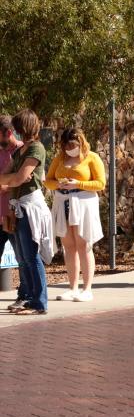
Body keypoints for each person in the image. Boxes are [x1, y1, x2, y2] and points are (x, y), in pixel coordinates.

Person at [0, 110, 54, 315]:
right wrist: (13, 178)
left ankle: (40, 302)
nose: (16, 132)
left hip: (30, 207)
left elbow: (16, 179)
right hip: (18, 206)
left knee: (31, 256)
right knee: (22, 257)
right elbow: (7, 175)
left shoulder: (36, 149)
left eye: (18, 128)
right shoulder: (20, 151)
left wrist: (15, 178)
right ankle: (31, 299)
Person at [44, 127, 105, 302]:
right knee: (68, 245)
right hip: (62, 201)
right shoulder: (60, 158)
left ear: (81, 142)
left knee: (83, 243)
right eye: (67, 145)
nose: (70, 148)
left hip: (83, 203)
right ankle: (72, 288)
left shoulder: (92, 157)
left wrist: (78, 183)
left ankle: (87, 288)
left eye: (73, 145)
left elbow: (100, 183)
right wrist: (59, 185)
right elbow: (48, 181)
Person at [0, 115, 27, 311]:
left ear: (8, 133)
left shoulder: (24, 150)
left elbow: (27, 179)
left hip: (14, 214)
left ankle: (24, 295)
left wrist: (7, 183)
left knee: (23, 257)